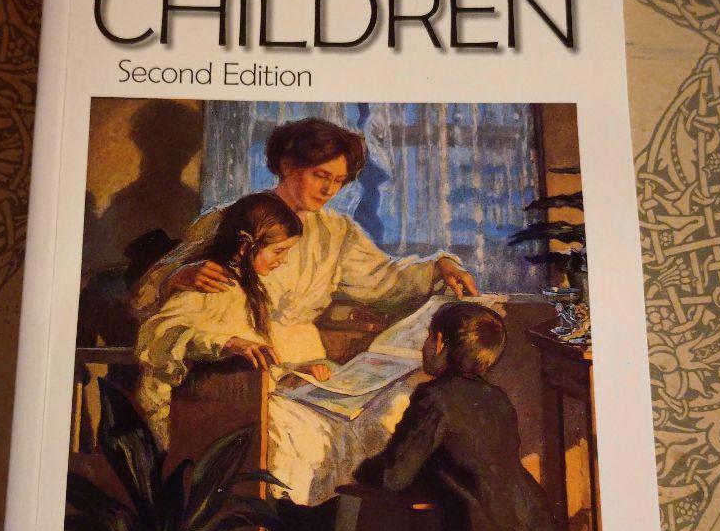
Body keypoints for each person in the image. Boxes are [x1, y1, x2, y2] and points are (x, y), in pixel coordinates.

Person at [131, 117, 478, 372]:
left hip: (306, 362)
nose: (329, 190)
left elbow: (382, 279)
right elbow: (145, 301)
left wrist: (438, 266)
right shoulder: (230, 218)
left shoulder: (337, 231)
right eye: (320, 176)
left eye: (338, 181)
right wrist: (177, 276)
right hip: (236, 364)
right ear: (287, 165)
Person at [354, 302, 569, 531]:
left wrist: (359, 469)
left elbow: (392, 477)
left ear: (440, 342)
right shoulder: (498, 399)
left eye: (428, 337)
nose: (424, 347)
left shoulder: (436, 397)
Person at [132, 192, 320, 449]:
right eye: (279, 251)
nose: (284, 260)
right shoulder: (211, 284)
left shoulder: (245, 288)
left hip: (231, 404)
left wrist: (292, 374)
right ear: (245, 247)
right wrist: (227, 343)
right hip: (183, 417)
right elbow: (161, 333)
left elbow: (252, 362)